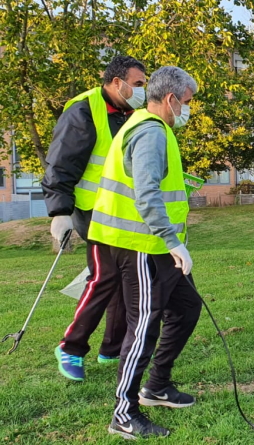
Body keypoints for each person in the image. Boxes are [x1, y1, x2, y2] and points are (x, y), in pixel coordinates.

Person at [87, 66, 202, 438]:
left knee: (186, 307)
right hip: (141, 247)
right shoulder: (151, 132)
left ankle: (156, 386)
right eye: (187, 103)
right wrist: (172, 241)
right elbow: (147, 194)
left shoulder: (150, 128)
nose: (188, 110)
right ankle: (124, 413)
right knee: (143, 326)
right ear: (170, 99)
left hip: (155, 247)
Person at [43, 55, 147, 381]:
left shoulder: (131, 113)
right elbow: (61, 162)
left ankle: (111, 348)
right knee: (104, 277)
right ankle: (70, 347)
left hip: (121, 211)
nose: (143, 90)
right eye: (139, 84)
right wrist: (60, 213)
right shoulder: (84, 110)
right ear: (117, 82)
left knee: (123, 278)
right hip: (92, 212)